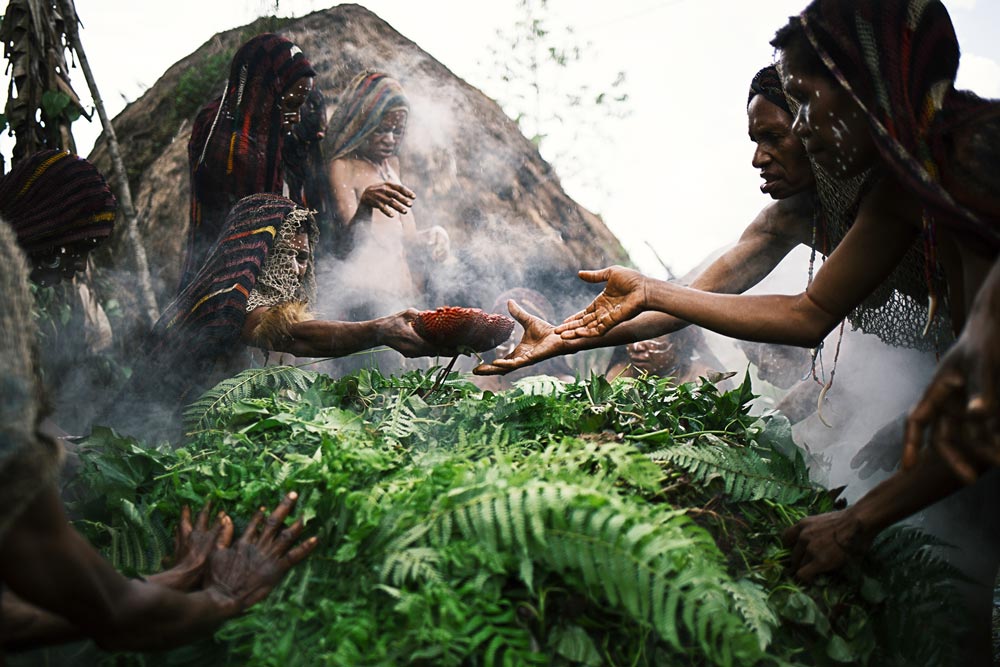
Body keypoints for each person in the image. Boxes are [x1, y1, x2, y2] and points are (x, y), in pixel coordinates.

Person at [548, 0, 999, 658]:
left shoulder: (969, 165)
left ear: (863, 91)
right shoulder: (898, 194)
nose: (798, 134)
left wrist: (858, 521)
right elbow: (795, 310)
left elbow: (981, 398)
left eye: (803, 107)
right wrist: (575, 335)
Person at [0, 218, 317, 655]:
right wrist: (223, 597)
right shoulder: (226, 306)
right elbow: (109, 611)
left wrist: (174, 576)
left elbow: (25, 615)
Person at [104, 193, 451, 441]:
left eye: (305, 258)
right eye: (291, 254)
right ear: (262, 252)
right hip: (159, 444)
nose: (300, 269)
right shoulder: (225, 304)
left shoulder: (267, 303)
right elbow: (292, 335)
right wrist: (379, 330)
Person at [182, 33, 316, 290]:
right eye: (290, 105)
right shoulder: (234, 147)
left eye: (300, 107)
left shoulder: (267, 144)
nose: (297, 118)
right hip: (226, 287)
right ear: (266, 94)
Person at [321, 70, 449, 320]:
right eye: (382, 129)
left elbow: (404, 239)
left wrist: (435, 235)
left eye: (397, 130)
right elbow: (346, 243)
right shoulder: (344, 166)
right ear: (363, 124)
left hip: (401, 295)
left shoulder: (392, 165)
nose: (390, 139)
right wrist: (365, 206)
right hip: (364, 296)